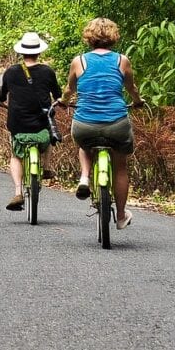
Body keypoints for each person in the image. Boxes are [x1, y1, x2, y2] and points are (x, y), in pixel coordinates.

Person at [63, 17, 141, 230]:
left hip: (85, 123)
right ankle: (121, 215)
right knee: (121, 167)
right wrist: (138, 102)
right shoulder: (122, 61)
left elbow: (70, 90)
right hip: (116, 123)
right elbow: (131, 88)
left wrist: (62, 101)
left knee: (84, 144)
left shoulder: (79, 61)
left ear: (89, 37)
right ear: (114, 36)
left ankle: (85, 178)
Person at [0, 31, 61, 212]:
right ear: (39, 52)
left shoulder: (11, 72)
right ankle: (46, 167)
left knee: (16, 155)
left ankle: (17, 191)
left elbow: (1, 96)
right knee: (48, 134)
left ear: (21, 52)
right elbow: (58, 96)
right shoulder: (48, 71)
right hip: (41, 122)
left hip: (18, 123)